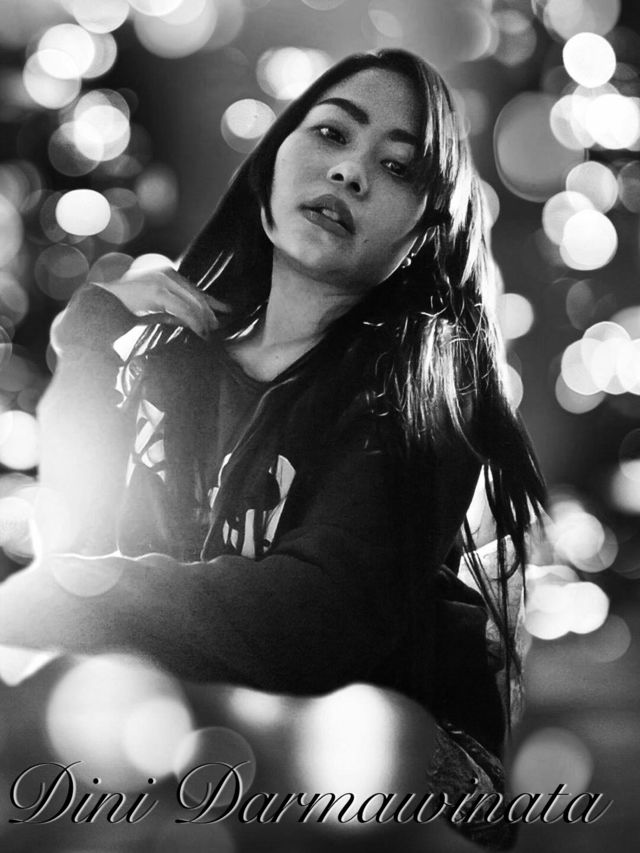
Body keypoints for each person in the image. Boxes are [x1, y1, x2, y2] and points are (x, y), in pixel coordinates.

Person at [0, 49, 544, 847]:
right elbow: (89, 556)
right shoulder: (181, 367)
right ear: (270, 166)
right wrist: (89, 340)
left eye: (397, 167)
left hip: (402, 771)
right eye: (331, 134)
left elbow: (315, 622)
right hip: (218, 741)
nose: (350, 172)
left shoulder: (422, 389)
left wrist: (65, 596)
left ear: (422, 235)